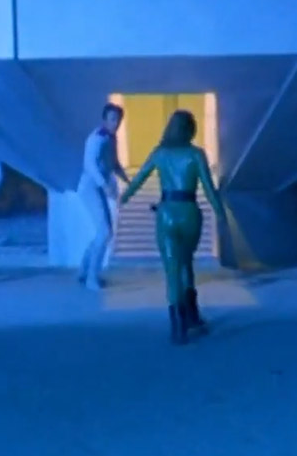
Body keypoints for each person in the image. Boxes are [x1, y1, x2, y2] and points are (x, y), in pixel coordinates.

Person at [120, 110, 227, 345]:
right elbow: (209, 188)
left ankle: (177, 327)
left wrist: (124, 197)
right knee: (187, 263)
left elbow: (139, 178)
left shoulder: (160, 153)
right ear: (191, 130)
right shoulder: (196, 154)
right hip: (190, 212)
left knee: (172, 270)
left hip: (166, 213)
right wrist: (220, 214)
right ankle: (193, 316)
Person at [77, 103, 130, 290]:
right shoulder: (96, 138)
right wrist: (105, 185)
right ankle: (91, 278)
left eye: (118, 120)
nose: (116, 123)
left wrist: (127, 180)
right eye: (113, 119)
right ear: (105, 119)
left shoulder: (111, 138)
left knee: (103, 232)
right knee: (105, 232)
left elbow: (114, 163)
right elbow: (90, 165)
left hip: (99, 187)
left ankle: (84, 271)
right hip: (90, 187)